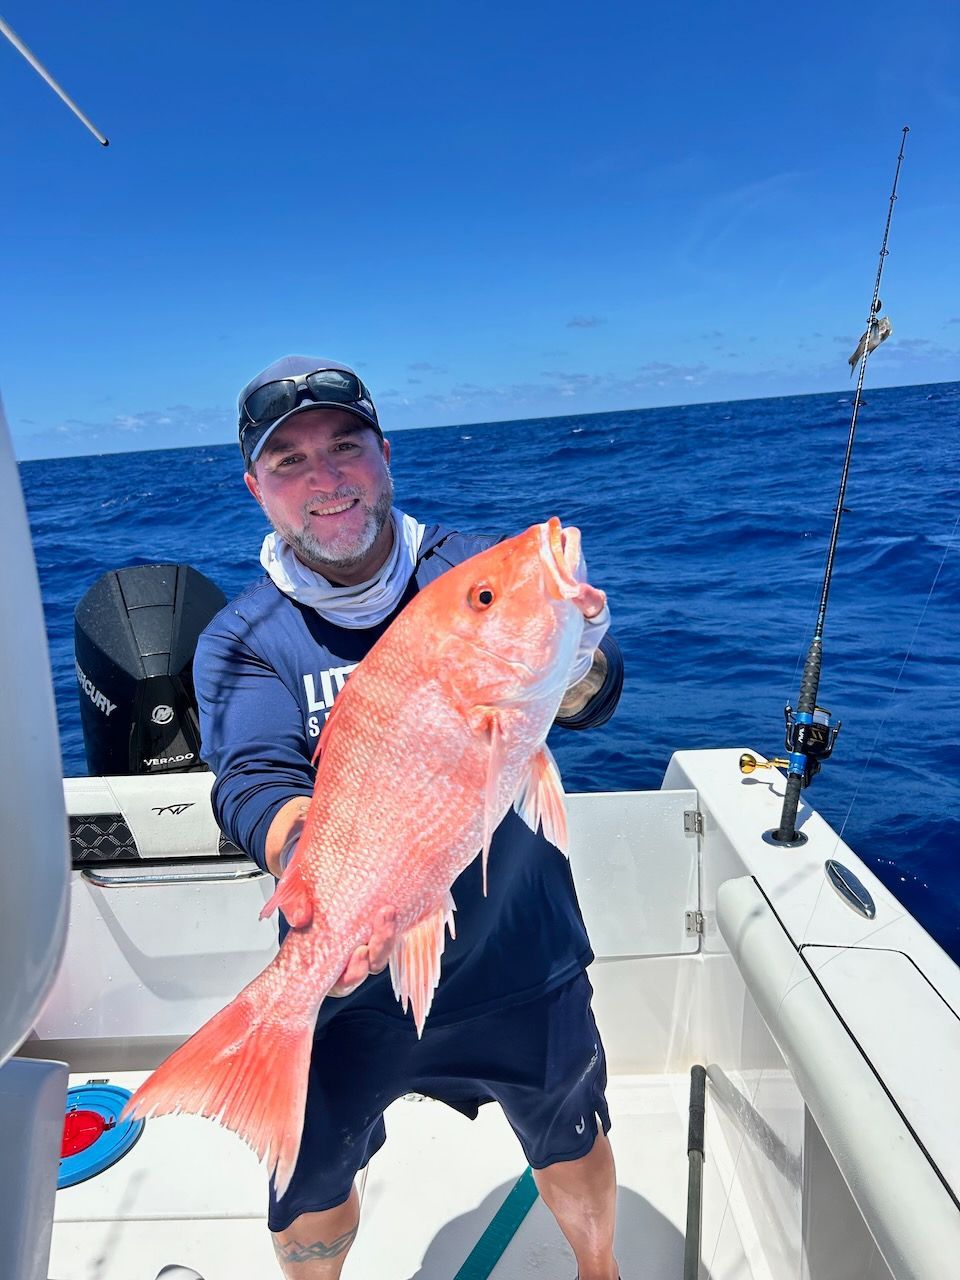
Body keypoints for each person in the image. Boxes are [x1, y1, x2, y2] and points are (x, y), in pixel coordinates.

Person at [194, 356, 625, 1280]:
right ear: (256, 488)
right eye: (291, 462)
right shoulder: (241, 637)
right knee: (306, 1181)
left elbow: (588, 697)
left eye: (345, 448)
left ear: (384, 456)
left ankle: (601, 1269)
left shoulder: (473, 570)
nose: (326, 480)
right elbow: (253, 785)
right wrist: (339, 876)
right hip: (353, 972)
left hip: (522, 945)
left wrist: (576, 654)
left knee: (570, 1132)